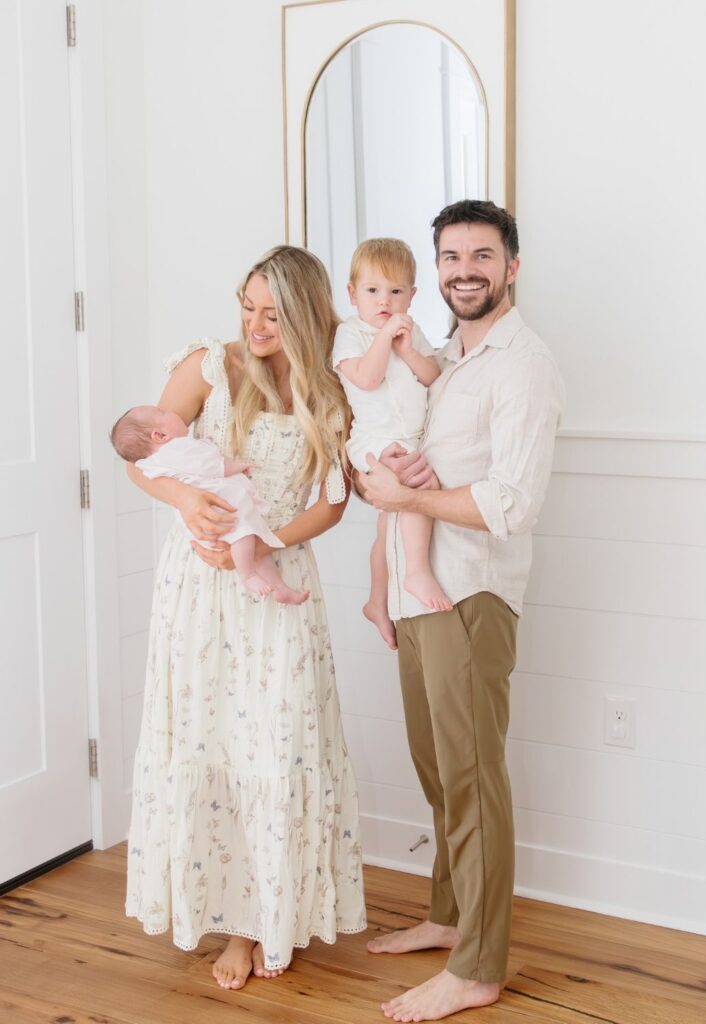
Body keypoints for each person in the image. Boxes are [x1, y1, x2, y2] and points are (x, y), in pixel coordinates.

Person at [124, 246, 367, 992]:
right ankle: (233, 923)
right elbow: (141, 452)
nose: (255, 324)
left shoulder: (330, 387)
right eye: (247, 306)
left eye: (272, 312)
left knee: (277, 744)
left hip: (275, 580)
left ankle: (272, 916)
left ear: (302, 313)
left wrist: (267, 541)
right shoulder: (207, 366)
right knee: (212, 738)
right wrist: (188, 503)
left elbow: (331, 502)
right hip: (198, 586)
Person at [360, 200, 565, 1022]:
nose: (464, 270)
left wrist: (405, 493)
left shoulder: (523, 364)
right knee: (438, 768)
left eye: (482, 255)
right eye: (450, 257)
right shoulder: (440, 357)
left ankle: (479, 966)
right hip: (420, 593)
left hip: (471, 594)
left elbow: (512, 502)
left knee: (473, 779)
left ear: (511, 267)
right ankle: (448, 917)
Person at [332, 238, 451, 651]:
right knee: (417, 486)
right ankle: (416, 569)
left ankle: (377, 601)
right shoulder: (351, 333)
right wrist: (384, 338)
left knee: (388, 527)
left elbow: (432, 375)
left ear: (412, 296)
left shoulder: (409, 331)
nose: (385, 300)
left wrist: (405, 346)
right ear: (352, 294)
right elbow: (366, 378)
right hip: (376, 441)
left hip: (411, 438)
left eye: (396, 291)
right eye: (372, 291)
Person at [110, 405, 307, 602]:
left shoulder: (152, 461)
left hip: (202, 521)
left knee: (251, 544)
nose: (171, 410)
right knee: (246, 537)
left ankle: (280, 588)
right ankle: (248, 576)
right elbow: (209, 466)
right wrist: (238, 466)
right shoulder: (176, 450)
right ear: (160, 435)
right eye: (163, 412)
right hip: (217, 510)